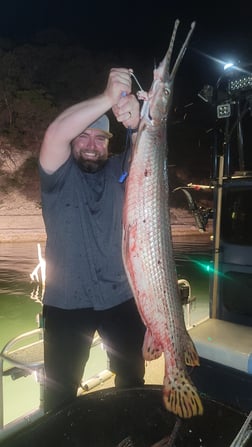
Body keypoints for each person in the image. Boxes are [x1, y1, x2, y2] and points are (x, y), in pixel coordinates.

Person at [39, 67, 146, 412]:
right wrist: (107, 98)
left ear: (108, 144)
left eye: (100, 138)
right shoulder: (57, 173)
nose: (90, 145)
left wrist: (137, 123)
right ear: (73, 142)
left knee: (132, 380)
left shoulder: (119, 170)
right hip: (66, 304)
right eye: (82, 137)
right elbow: (56, 132)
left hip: (120, 298)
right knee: (58, 395)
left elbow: (149, 153)